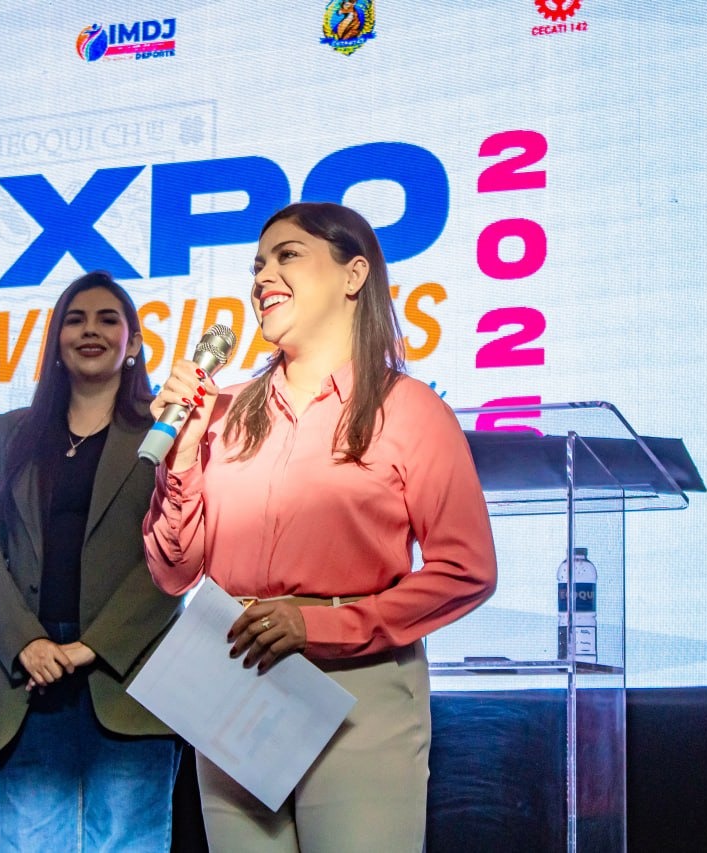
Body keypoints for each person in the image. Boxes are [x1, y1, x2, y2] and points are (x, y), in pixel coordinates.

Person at [143, 202, 498, 851]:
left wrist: (322, 625)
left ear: (353, 275)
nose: (262, 277)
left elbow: (466, 570)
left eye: (287, 256)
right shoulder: (221, 412)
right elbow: (172, 571)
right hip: (232, 676)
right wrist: (184, 453)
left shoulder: (409, 409)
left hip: (357, 685)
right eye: (257, 264)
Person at [0, 270, 184, 852]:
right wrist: (25, 643)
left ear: (133, 343)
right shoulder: (12, 432)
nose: (91, 331)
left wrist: (93, 647)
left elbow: (177, 552)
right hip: (27, 680)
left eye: (108, 320)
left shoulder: (169, 429)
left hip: (128, 673)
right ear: (56, 340)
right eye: (75, 319)